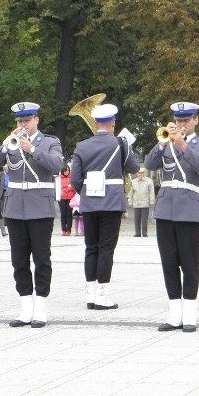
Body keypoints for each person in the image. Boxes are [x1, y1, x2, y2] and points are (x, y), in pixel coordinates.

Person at [0, 102, 64, 328]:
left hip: (40, 207)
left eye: (27, 121)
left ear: (36, 120)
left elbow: (57, 165)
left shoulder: (50, 142)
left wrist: (31, 149)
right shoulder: (10, 144)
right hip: (15, 208)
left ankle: (40, 307)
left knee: (41, 258)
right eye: (20, 121)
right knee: (19, 260)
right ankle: (25, 308)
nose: (23, 125)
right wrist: (5, 145)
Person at [145, 101, 199, 333]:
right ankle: (175, 314)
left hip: (190, 209)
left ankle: (190, 315)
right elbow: (149, 164)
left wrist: (183, 144)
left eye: (186, 120)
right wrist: (162, 143)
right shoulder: (167, 142)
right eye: (178, 120)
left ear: (196, 120)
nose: (181, 124)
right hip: (166, 208)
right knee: (169, 263)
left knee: (189, 263)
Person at [70, 103, 139, 311]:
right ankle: (102, 294)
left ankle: (90, 294)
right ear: (113, 123)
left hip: (90, 201)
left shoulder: (81, 146)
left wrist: (86, 192)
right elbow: (134, 168)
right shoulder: (120, 143)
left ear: (95, 123)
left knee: (91, 247)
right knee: (106, 248)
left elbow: (75, 180)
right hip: (111, 202)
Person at [129, 167, 155, 237]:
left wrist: (151, 201)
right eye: (139, 173)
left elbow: (151, 192)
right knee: (136, 219)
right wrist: (130, 202)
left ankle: (144, 233)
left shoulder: (149, 181)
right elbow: (130, 193)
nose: (140, 174)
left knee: (144, 220)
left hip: (145, 203)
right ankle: (137, 233)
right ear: (137, 174)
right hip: (136, 203)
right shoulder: (133, 181)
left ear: (144, 173)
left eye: (141, 173)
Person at [58, 165, 75, 236]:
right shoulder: (59, 178)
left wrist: (67, 188)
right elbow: (59, 187)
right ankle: (63, 230)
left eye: (68, 170)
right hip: (62, 198)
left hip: (70, 198)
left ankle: (68, 230)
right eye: (65, 171)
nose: (67, 172)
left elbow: (73, 186)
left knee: (69, 214)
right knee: (63, 214)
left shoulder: (72, 177)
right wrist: (67, 187)